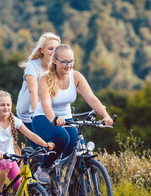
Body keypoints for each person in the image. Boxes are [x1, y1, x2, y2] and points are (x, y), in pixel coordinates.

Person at [32, 44, 114, 184]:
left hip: (67, 120)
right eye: (64, 62)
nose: (68, 65)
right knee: (62, 137)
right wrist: (55, 118)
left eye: (71, 61)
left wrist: (105, 116)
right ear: (55, 61)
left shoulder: (76, 76)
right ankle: (43, 168)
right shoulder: (45, 78)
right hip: (44, 119)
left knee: (76, 157)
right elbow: (46, 105)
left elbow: (91, 98)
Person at [0, 90, 55, 196]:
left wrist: (44, 144)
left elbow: (30, 134)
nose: (6, 107)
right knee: (5, 165)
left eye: (8, 104)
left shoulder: (14, 120)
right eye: (2, 105)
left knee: (21, 185)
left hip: (10, 157)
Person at [16, 32, 60, 148]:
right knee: (42, 147)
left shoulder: (58, 67)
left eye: (56, 49)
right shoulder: (33, 66)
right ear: (42, 50)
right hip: (29, 111)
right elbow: (33, 91)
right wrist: (37, 115)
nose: (53, 52)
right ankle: (39, 165)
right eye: (50, 48)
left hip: (45, 109)